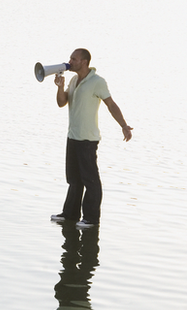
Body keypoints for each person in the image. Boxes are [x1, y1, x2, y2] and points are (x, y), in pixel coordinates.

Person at [49, 48, 132, 229]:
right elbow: (62, 103)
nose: (70, 61)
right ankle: (70, 215)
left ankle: (91, 219)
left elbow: (111, 104)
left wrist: (124, 126)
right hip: (72, 137)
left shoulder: (97, 82)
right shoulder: (73, 80)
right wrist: (60, 87)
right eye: (70, 58)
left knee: (91, 180)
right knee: (74, 180)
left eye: (74, 58)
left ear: (84, 62)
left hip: (87, 139)